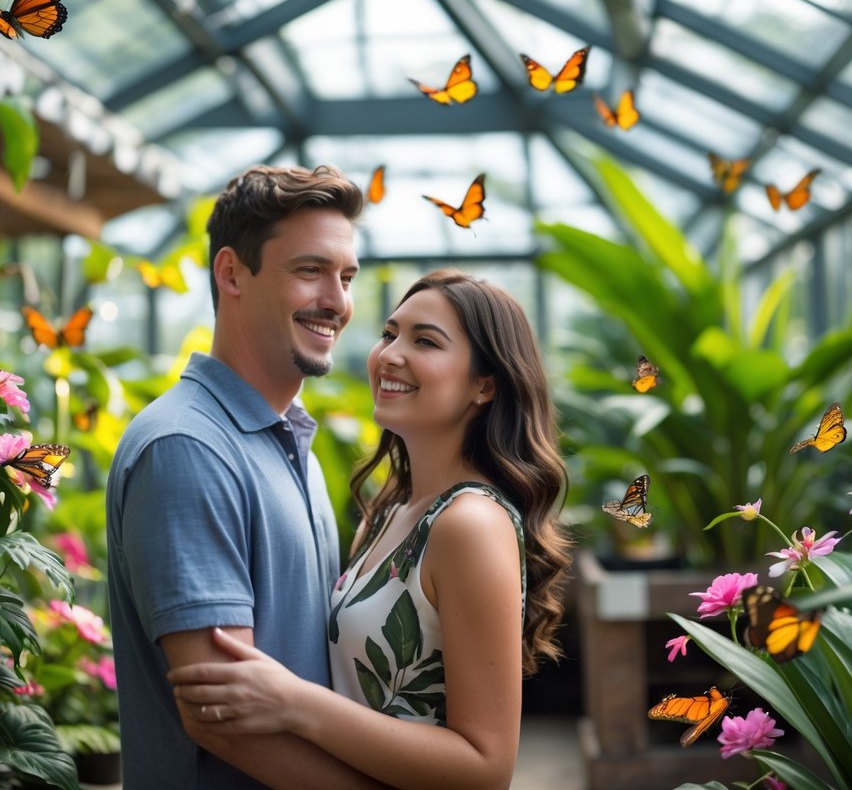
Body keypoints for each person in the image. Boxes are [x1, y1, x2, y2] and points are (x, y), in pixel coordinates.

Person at [168, 269, 572, 790]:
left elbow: (485, 768)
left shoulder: (469, 523)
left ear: (484, 384)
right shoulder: (390, 514)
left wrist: (293, 701)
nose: (389, 355)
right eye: (389, 333)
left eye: (425, 341)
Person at [106, 164, 383, 788]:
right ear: (231, 273)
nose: (337, 302)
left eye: (346, 277)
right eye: (309, 271)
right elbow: (221, 716)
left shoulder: (290, 441)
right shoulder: (189, 447)